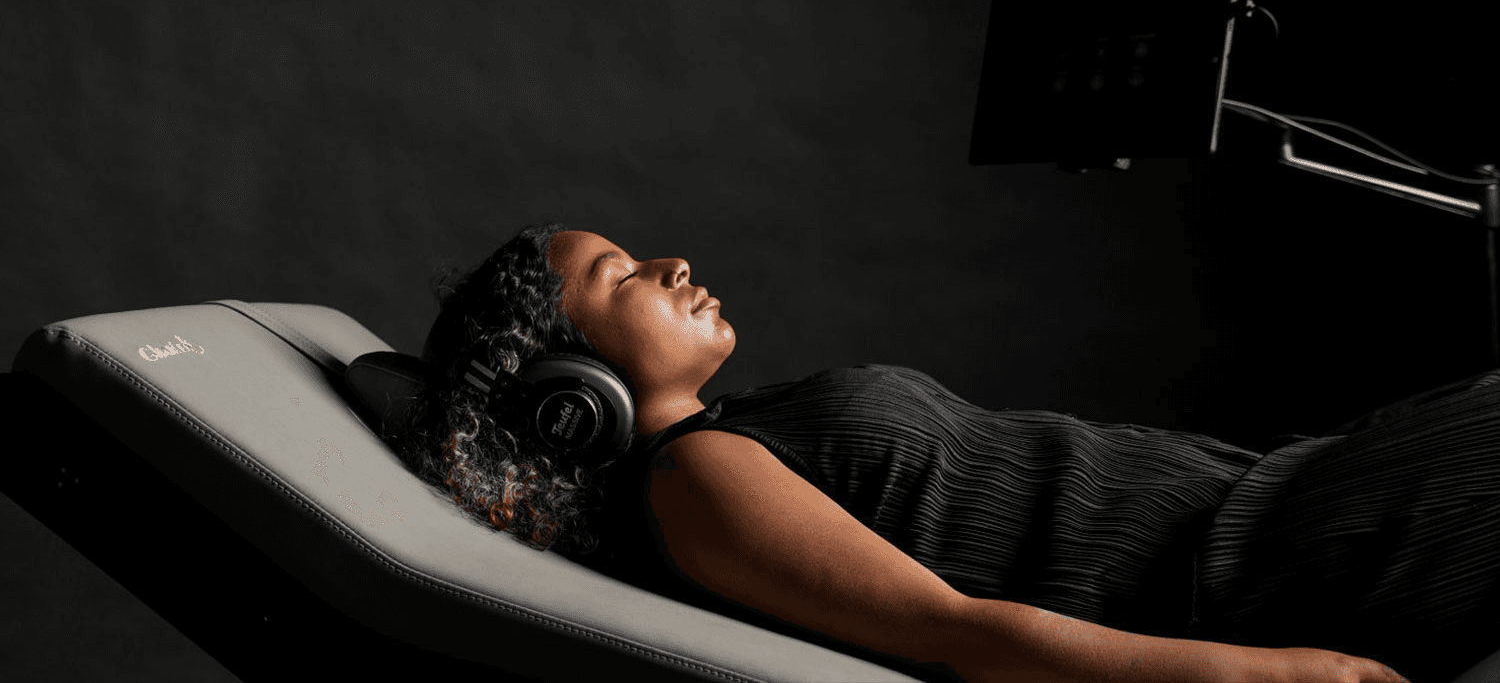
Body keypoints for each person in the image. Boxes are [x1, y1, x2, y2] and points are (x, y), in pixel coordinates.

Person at [386, 222, 1500, 682]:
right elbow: (959, 633)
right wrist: (1279, 672)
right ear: (570, 400)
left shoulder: (729, 441)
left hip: (1280, 491)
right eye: (621, 277)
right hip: (1261, 567)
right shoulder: (694, 484)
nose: (671, 264)